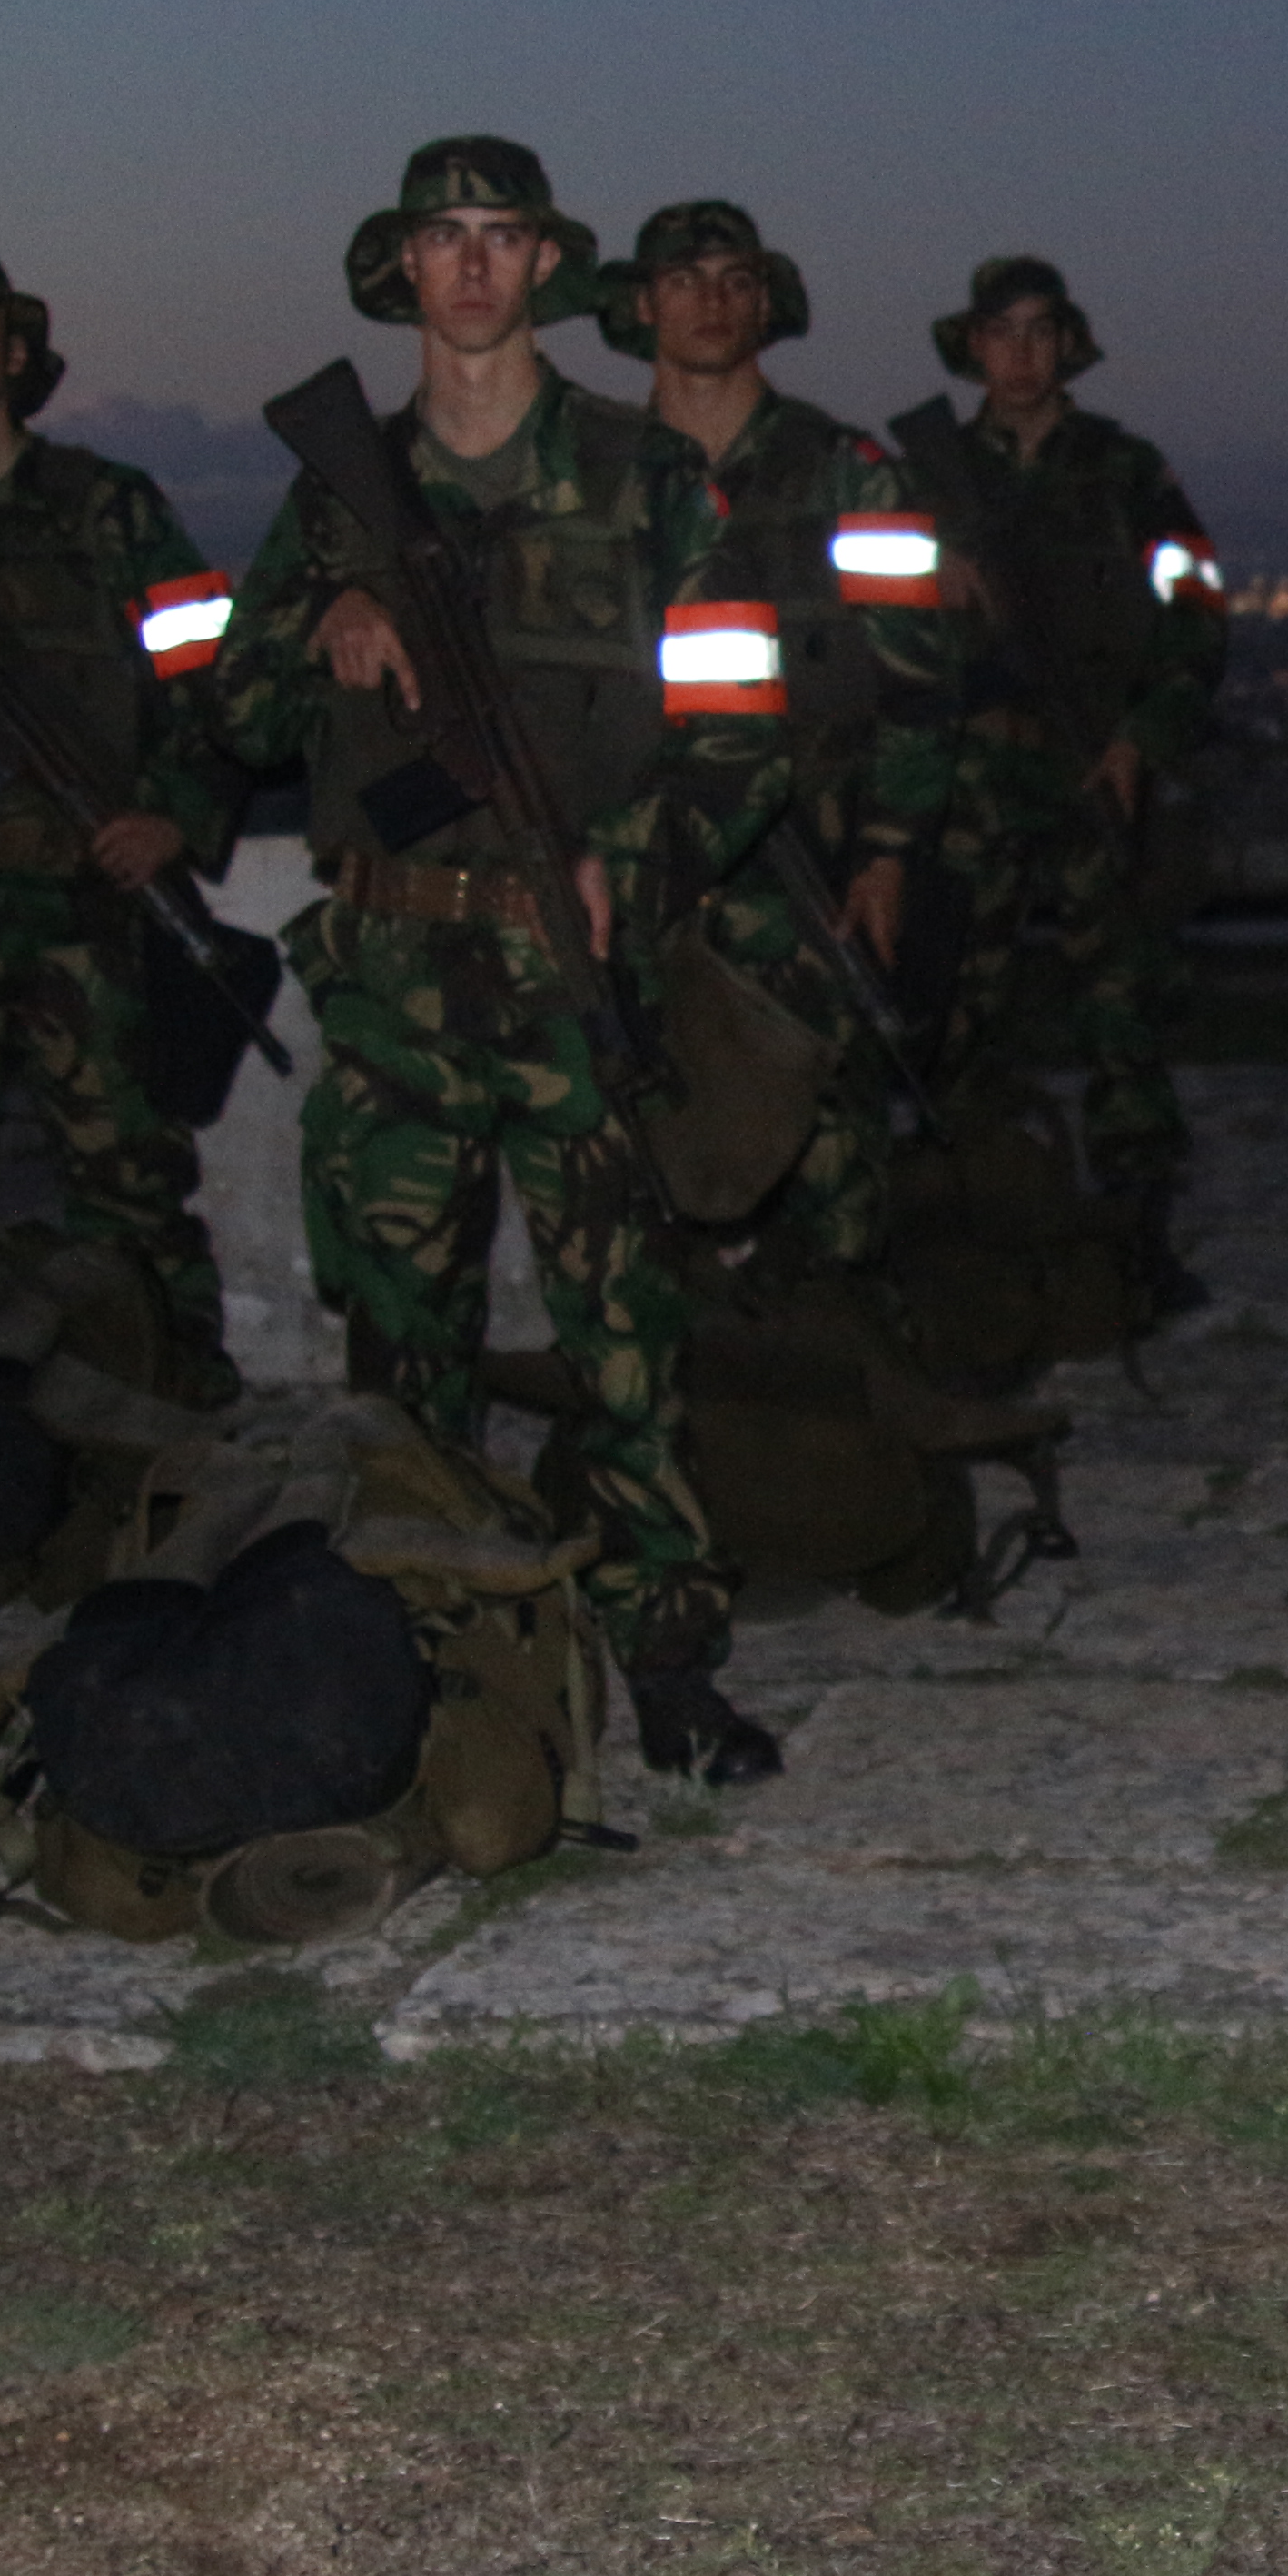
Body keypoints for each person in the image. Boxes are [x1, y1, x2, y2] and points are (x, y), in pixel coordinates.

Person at [216, 136, 792, 1778]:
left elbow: (745, 724)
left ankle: (669, 1652)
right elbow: (224, 708)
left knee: (625, 1336)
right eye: (441, 237)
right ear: (399, 268)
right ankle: (425, 1655)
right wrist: (326, 616)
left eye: (501, 237)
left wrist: (632, 859)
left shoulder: (646, 477)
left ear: (547, 264)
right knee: (405, 1346)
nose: (470, 266)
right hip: (396, 974)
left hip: (571, 975)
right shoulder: (338, 489)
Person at [0, 242, 245, 1392]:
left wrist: (173, 816)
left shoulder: (109, 511)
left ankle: (185, 1428)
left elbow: (218, 683)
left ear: (16, 350)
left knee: (128, 1187)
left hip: (85, 901)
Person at [594, 201, 960, 1269]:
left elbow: (920, 685)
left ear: (766, 301)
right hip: (636, 865)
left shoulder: (852, 470)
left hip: (812, 856)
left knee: (829, 1148)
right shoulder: (598, 475)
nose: (712, 300)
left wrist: (891, 855)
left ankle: (844, 1387)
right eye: (687, 278)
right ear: (645, 304)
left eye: (736, 279)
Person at [913, 255, 1224, 1307]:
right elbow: (874, 618)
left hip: (1098, 763)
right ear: (973, 346)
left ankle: (1138, 1230)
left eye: (1040, 332)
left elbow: (1196, 608)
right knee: (958, 996)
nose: (1020, 354)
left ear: (1067, 345)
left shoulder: (1128, 471)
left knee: (1121, 1006)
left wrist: (1144, 737)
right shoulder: (930, 475)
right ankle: (968, 1212)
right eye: (1000, 332)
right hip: (979, 771)